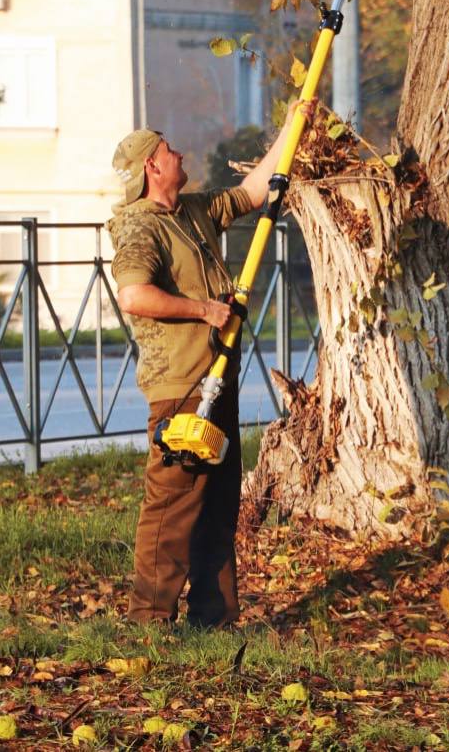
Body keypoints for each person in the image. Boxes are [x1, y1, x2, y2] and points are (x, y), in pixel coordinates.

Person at [106, 100, 313, 628]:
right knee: (171, 510)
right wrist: (203, 309)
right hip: (180, 389)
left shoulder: (193, 212)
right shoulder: (139, 227)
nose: (178, 153)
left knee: (218, 508)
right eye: (168, 149)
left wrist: (293, 125)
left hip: (218, 387)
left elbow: (254, 191)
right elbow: (134, 295)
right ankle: (147, 623)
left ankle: (213, 621)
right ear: (152, 167)